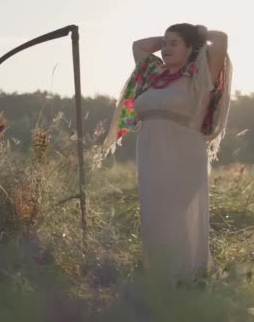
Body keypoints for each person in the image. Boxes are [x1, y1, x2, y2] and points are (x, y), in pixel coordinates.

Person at [95, 23, 232, 285]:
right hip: (150, 149)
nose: (166, 48)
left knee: (179, 211)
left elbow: (221, 39)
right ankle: (159, 272)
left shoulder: (199, 72)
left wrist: (194, 35)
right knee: (154, 211)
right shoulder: (152, 73)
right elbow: (139, 45)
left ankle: (187, 275)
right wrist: (170, 39)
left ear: (191, 48)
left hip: (184, 149)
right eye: (165, 44)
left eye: (174, 44)